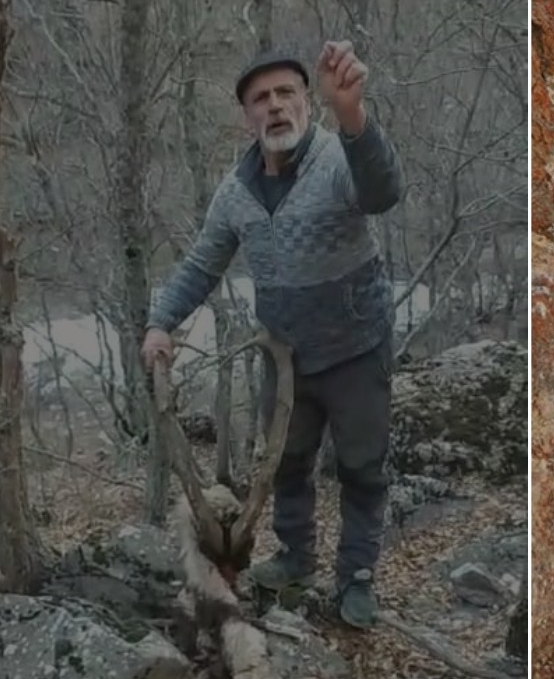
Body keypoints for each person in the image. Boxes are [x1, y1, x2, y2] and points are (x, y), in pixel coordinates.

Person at [140, 41, 404, 629]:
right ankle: (295, 556)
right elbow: (202, 265)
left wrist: (354, 116)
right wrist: (162, 322)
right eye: (261, 99)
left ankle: (357, 578)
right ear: (246, 116)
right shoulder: (236, 191)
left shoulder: (339, 158)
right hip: (285, 357)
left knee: (361, 469)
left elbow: (384, 193)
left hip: (357, 348)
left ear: (308, 102)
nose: (275, 106)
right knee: (285, 464)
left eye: (287, 93)